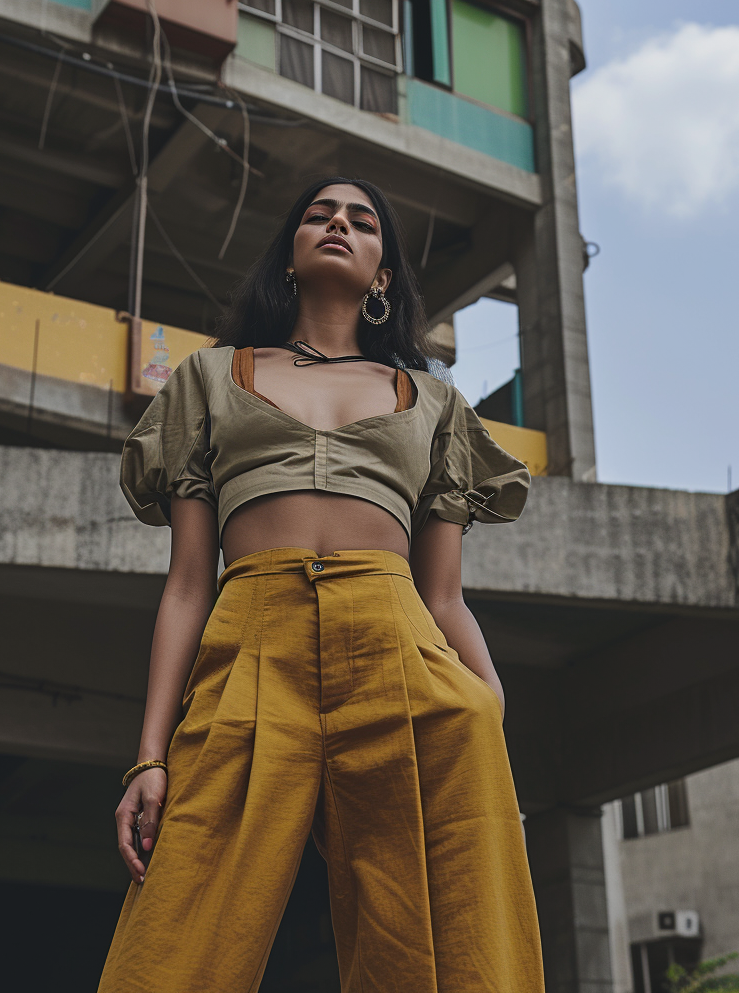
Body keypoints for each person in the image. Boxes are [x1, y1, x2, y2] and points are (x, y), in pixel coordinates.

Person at [98, 177, 544, 993]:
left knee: (447, 946)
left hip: (401, 655)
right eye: (319, 215)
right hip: (251, 647)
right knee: (175, 929)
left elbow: (444, 598)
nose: (338, 223)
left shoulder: (434, 403)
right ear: (292, 258)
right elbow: (189, 586)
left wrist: (488, 702)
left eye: (362, 220)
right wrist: (149, 758)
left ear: (382, 274)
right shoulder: (208, 378)